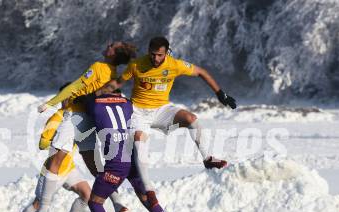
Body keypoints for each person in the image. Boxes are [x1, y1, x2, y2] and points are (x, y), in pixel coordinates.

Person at [95, 36, 237, 193]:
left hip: (162, 110)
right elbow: (119, 82)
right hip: (138, 112)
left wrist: (220, 93)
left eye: (160, 55)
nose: (155, 58)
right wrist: (101, 91)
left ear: (166, 53)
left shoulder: (175, 65)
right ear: (149, 52)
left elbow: (201, 72)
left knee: (191, 119)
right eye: (153, 54)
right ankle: (148, 188)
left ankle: (208, 159)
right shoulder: (137, 65)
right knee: (139, 140)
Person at [24, 42, 137, 212]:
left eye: (112, 46)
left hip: (75, 117)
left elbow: (76, 85)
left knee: (56, 159)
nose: (108, 45)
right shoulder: (114, 76)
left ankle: (42, 211)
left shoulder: (99, 67)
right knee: (96, 168)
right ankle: (119, 205)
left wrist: (52, 103)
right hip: (91, 120)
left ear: (113, 55)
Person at [76, 91, 179, 212]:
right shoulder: (126, 103)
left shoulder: (93, 105)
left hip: (116, 165)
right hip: (133, 159)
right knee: (146, 198)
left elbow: (84, 111)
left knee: (95, 202)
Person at [7, 107, 90, 212]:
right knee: (38, 204)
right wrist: (52, 138)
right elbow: (42, 143)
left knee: (87, 194)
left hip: (69, 168)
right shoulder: (57, 118)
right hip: (52, 170)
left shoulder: (78, 116)